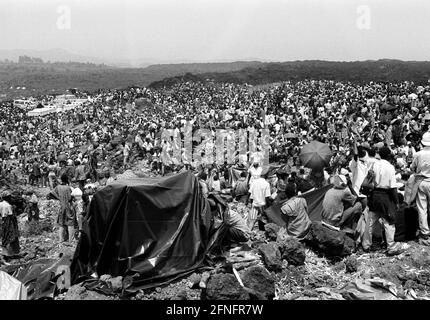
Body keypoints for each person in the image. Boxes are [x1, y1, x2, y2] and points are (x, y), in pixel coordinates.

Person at [370, 147, 409, 255]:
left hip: (374, 194)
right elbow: (393, 187)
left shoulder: (375, 164)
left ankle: (368, 244)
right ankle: (391, 246)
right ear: (388, 156)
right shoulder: (390, 167)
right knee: (389, 221)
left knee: (372, 220)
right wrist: (396, 202)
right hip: (385, 195)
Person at [410, 132, 430, 245]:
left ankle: (425, 232)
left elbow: (412, 167)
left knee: (422, 208)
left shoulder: (418, 154)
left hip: (421, 181)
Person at [48, 174, 75, 243]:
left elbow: (51, 193)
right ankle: (70, 240)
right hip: (69, 207)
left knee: (61, 223)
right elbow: (70, 197)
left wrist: (58, 198)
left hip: (61, 206)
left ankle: (61, 239)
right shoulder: (68, 188)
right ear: (67, 179)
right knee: (70, 223)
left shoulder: (58, 187)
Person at [0, 191, 20, 257]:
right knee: (11, 235)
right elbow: (11, 216)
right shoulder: (8, 206)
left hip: (3, 221)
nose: (11, 198)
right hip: (9, 221)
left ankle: (4, 252)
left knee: (4, 235)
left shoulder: (1, 204)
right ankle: (10, 252)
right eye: (9, 197)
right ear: (8, 198)